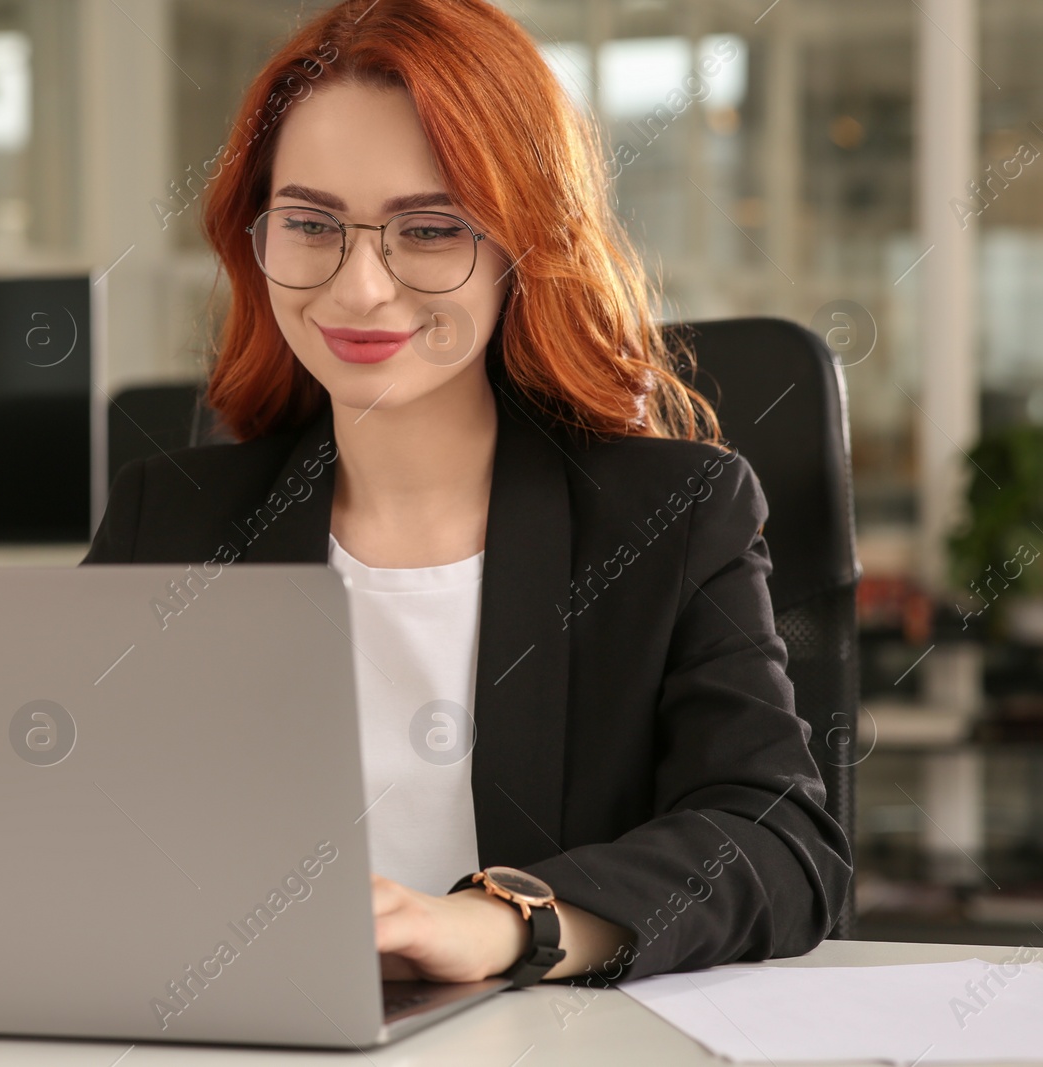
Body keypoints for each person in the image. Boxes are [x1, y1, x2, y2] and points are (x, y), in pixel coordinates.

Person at [82, 0, 850, 989]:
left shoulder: (671, 514)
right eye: (312, 223)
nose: (359, 289)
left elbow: (780, 839)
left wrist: (506, 923)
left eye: (430, 228)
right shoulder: (170, 516)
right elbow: (49, 822)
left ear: (522, 242)